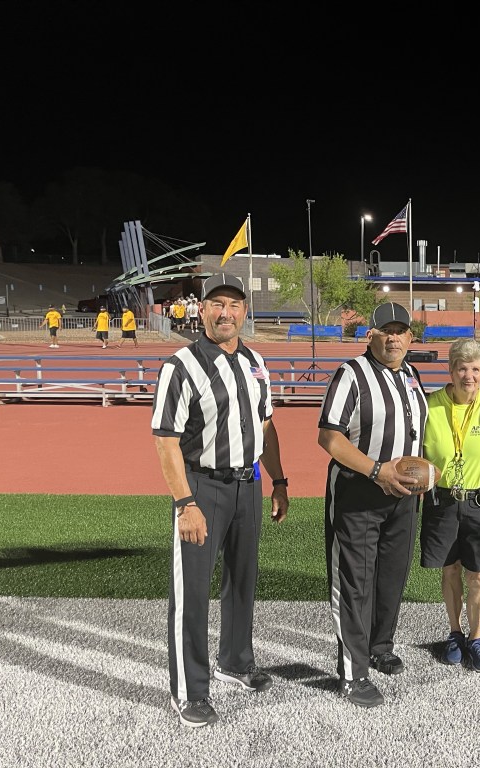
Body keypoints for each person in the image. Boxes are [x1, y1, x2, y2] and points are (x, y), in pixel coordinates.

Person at [151, 272, 289, 728]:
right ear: (202, 310)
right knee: (192, 591)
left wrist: (279, 480)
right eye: (216, 304)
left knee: (243, 580)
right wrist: (184, 503)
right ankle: (189, 690)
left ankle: (235, 660)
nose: (225, 313)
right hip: (203, 487)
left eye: (233, 305)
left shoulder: (255, 360)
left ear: (244, 311)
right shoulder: (181, 365)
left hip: (248, 483)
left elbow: (265, 426)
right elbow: (166, 441)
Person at [317, 302, 430, 708]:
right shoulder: (351, 373)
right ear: (372, 335)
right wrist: (377, 470)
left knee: (392, 575)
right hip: (359, 489)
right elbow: (329, 437)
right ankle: (352, 672)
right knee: (356, 580)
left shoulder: (411, 374)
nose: (394, 338)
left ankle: (380, 646)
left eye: (401, 331)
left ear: (410, 337)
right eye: (386, 331)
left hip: (402, 496)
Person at [421, 339, 480, 672]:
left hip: (478, 504)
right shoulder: (431, 405)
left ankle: (477, 637)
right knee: (450, 570)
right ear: (451, 370)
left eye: (475, 369)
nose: (468, 376)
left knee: (479, 576)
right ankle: (455, 633)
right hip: (441, 501)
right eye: (461, 368)